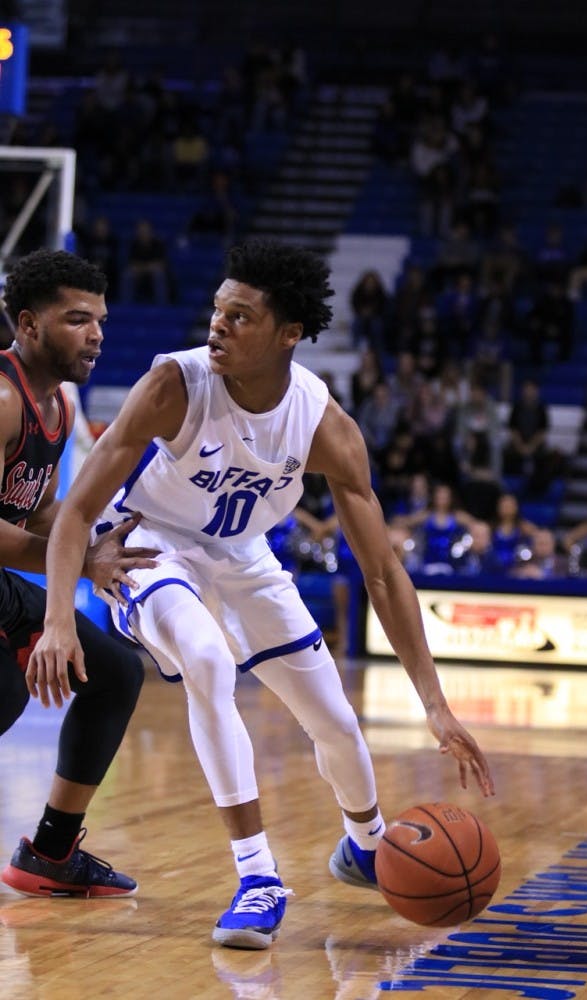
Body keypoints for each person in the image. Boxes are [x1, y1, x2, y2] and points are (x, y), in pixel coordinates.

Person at [26, 239, 494, 951]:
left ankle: (364, 844)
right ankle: (257, 877)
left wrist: (433, 703)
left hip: (244, 555)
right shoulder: (174, 386)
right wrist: (60, 617)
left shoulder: (323, 426)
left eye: (240, 316)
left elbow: (382, 573)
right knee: (209, 665)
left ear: (289, 335)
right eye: (217, 309)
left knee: (333, 717)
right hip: (149, 546)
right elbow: (79, 515)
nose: (217, 324)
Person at [0, 249, 159, 899]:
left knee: (115, 670)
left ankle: (51, 851)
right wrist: (78, 561)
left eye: (99, 319)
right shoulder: (4, 399)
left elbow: (35, 510)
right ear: (29, 325)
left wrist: (102, 538)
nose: (96, 334)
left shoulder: (60, 405)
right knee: (8, 697)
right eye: (77, 319)